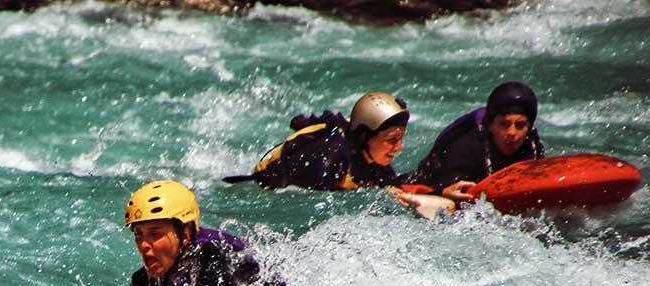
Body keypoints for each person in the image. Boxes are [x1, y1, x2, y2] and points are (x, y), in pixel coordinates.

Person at [120, 180, 288, 286]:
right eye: (138, 234)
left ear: (185, 234)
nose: (143, 244)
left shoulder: (208, 258)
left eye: (155, 234)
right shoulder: (142, 281)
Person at [223, 91, 412, 191]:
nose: (398, 148)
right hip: (263, 185)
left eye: (400, 139)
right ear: (364, 136)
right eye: (392, 140)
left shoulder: (376, 163)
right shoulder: (327, 160)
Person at [412, 81, 544, 203]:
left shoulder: (532, 143)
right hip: (432, 180)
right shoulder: (465, 145)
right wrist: (444, 191)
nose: (512, 132)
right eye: (504, 124)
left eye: (520, 125)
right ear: (491, 125)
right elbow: (448, 186)